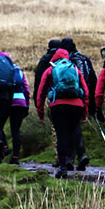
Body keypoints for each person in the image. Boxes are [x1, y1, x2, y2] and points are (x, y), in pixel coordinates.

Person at [36, 47, 87, 175]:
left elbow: (41, 93)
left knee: (62, 135)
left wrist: (40, 113)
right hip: (77, 105)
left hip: (58, 106)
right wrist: (84, 113)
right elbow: (85, 92)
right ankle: (71, 158)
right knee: (72, 133)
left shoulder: (50, 70)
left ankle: (63, 167)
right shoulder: (75, 69)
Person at [4, 53, 31, 162]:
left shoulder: (1, 71)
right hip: (20, 102)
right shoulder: (18, 71)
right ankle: (16, 156)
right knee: (16, 130)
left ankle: (4, 147)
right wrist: (27, 105)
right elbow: (27, 90)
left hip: (6, 102)